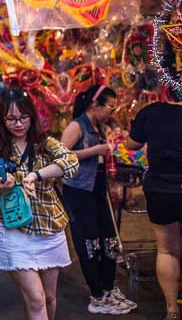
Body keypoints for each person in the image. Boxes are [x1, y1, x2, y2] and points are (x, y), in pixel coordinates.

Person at [0, 88, 79, 320]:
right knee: (36, 298)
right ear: (2, 119)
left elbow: (71, 163)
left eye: (23, 117)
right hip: (14, 228)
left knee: (50, 298)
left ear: (32, 116)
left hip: (49, 225)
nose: (18, 123)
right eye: (11, 118)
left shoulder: (45, 143)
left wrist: (36, 175)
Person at [61, 85, 136, 315]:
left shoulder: (102, 127)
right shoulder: (77, 126)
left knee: (109, 239)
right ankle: (97, 295)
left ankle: (109, 286)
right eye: (110, 106)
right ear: (95, 104)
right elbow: (61, 155)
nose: (112, 111)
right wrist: (94, 151)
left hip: (97, 187)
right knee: (89, 242)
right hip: (78, 191)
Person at [126, 98, 182, 320]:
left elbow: (132, 145)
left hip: (161, 189)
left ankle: (172, 310)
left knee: (167, 249)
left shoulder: (152, 111)